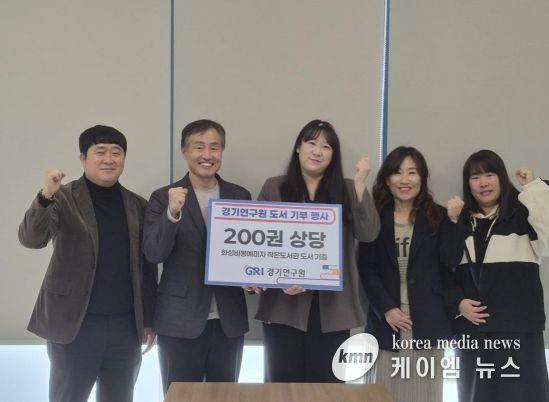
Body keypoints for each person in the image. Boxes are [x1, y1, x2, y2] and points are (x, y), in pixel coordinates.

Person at [18, 125, 158, 402]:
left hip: (125, 327)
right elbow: (32, 239)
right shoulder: (62, 197)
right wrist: (45, 197)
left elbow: (147, 267)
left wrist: (149, 319)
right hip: (75, 325)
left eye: (116, 152)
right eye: (100, 152)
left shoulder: (137, 205)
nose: (109, 159)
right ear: (83, 158)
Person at [253, 119, 380, 382]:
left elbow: (368, 233)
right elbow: (260, 244)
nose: (317, 151)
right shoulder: (274, 187)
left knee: (327, 389)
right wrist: (278, 278)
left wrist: (360, 183)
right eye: (311, 143)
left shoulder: (347, 189)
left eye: (326, 146)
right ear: (298, 147)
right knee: (282, 388)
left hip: (332, 309)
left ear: (333, 155)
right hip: (283, 307)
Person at [143, 119, 250, 392]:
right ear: (184, 151)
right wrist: (172, 214)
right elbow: (154, 253)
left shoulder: (240, 195)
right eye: (199, 147)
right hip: (179, 321)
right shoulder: (162, 197)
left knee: (225, 397)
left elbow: (250, 254)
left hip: (228, 321)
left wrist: (254, 277)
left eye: (214, 147)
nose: (207, 155)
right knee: (180, 396)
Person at [358, 146, 464, 402]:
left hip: (427, 319)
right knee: (380, 393)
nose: (405, 180)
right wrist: (386, 309)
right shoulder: (376, 216)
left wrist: (454, 222)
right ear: (387, 179)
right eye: (397, 172)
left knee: (423, 394)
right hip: (386, 320)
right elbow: (366, 267)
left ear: (422, 178)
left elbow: (450, 261)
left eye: (412, 172)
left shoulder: (438, 215)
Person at [452, 150, 549, 402]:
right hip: (472, 332)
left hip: (519, 330)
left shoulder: (523, 216)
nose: (483, 183)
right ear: (468, 184)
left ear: (502, 178)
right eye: (475, 177)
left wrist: (532, 187)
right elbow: (443, 270)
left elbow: (547, 239)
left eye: (490, 175)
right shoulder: (460, 221)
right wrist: (458, 303)